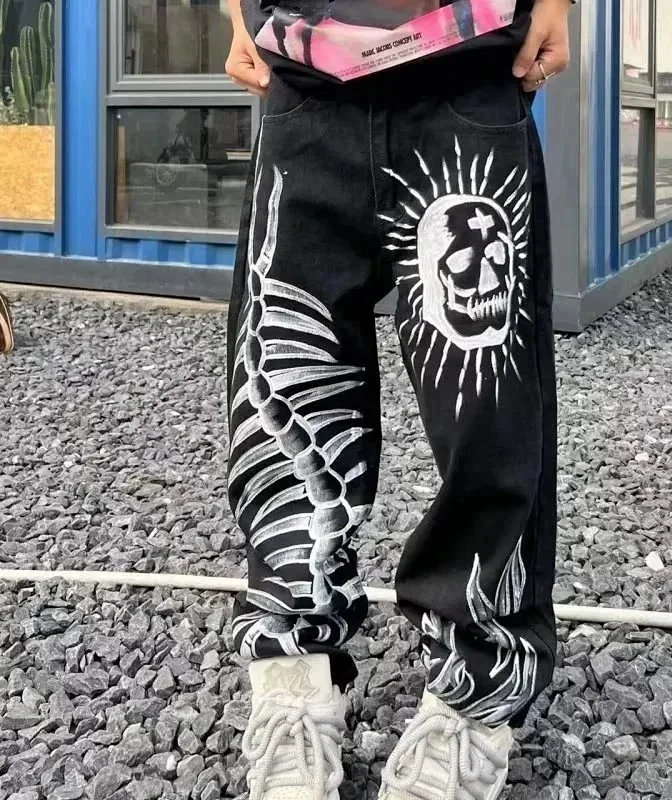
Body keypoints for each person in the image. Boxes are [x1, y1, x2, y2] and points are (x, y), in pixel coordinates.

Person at [224, 0, 573, 796]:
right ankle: (294, 676)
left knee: (488, 414)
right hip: (303, 68)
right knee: (283, 396)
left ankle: (477, 693)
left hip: (467, 66)